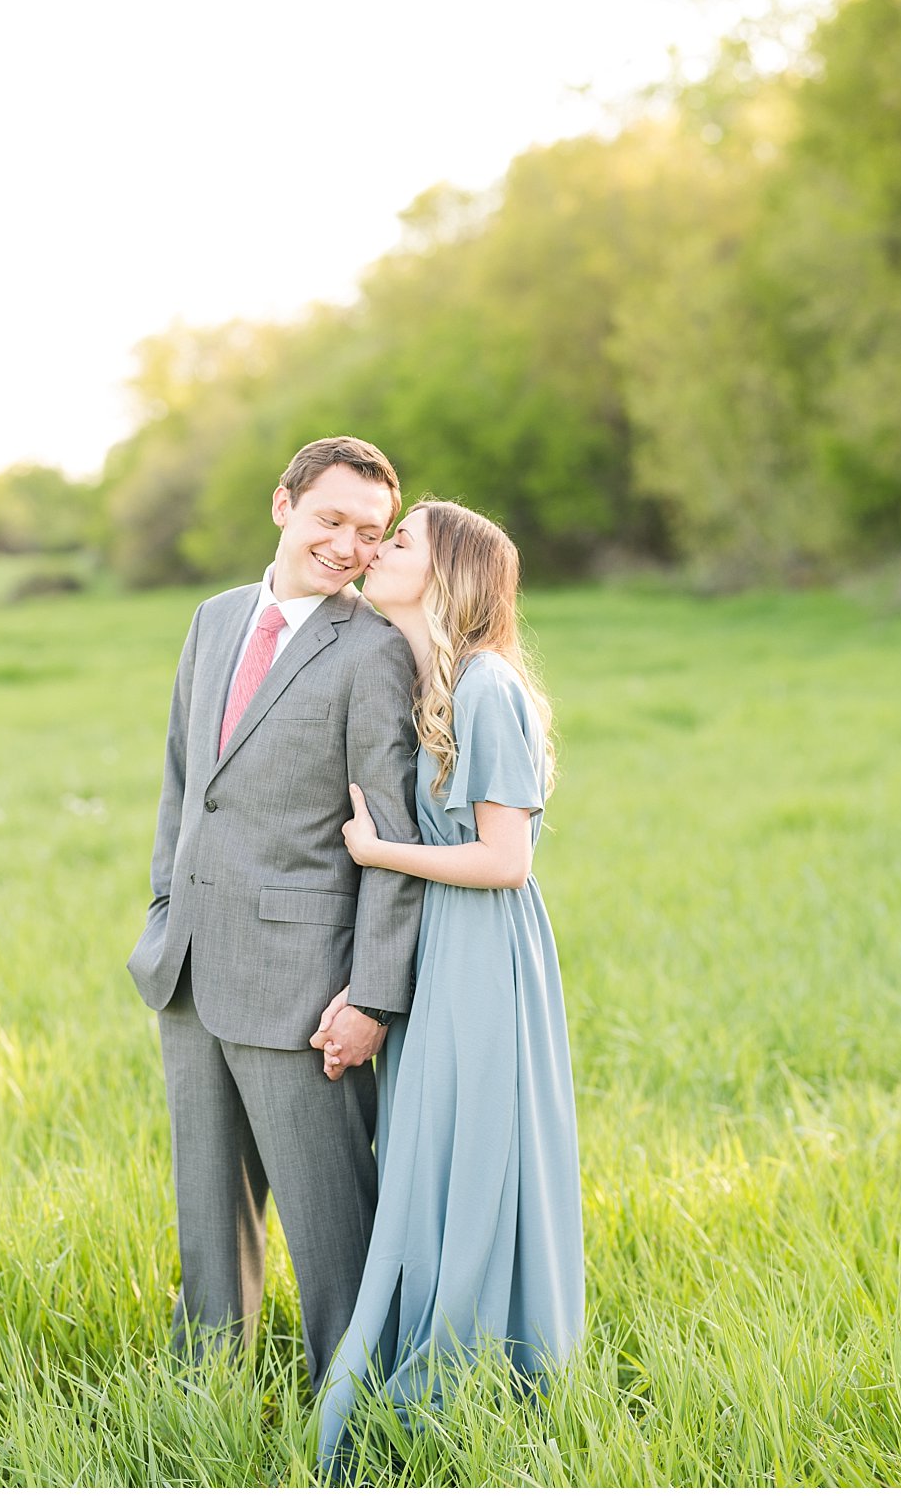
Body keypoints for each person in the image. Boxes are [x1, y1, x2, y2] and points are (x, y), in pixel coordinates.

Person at [125, 435, 425, 1386]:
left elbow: (394, 838)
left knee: (331, 1218)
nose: (347, 545)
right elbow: (184, 783)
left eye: (371, 533)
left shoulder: (373, 652)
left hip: (306, 990)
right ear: (283, 505)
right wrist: (165, 907)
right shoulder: (214, 621)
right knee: (208, 1216)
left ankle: (361, 1407)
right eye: (332, 519)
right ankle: (206, 1391)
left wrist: (372, 998)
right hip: (187, 965)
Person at [314, 499, 583, 1477]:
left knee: (472, 1153)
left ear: (446, 574)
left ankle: (480, 1370)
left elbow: (504, 860)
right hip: (443, 949)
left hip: (483, 951)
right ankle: (445, 1344)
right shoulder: (436, 684)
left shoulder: (485, 689)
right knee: (433, 1151)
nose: (373, 553)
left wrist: (374, 848)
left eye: (397, 543)